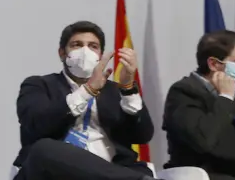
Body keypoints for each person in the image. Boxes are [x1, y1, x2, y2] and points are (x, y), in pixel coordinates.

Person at [12, 21, 154, 180]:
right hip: (55, 174)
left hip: (111, 170)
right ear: (62, 53)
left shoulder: (114, 91)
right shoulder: (38, 85)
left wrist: (127, 88)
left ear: (100, 55)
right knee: (43, 149)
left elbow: (143, 136)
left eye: (93, 46)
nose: (85, 51)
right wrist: (87, 91)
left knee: (139, 169)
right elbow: (36, 125)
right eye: (77, 45)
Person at [163, 30, 235, 180]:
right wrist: (225, 98)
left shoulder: (234, 95)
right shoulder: (184, 92)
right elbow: (203, 141)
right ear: (214, 64)